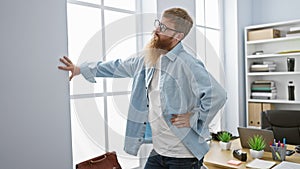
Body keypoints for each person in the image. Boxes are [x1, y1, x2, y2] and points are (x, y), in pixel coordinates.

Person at [59, 7, 226, 169]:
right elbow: (117, 66)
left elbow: (218, 95)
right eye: (158, 24)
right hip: (159, 151)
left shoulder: (188, 63)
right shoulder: (148, 58)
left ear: (178, 36)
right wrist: (80, 69)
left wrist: (193, 117)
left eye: (163, 27)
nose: (156, 30)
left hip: (183, 155)